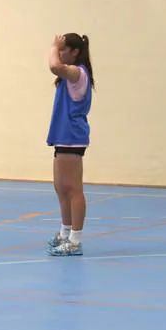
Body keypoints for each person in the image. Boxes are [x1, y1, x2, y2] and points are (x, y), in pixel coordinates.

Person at [46, 33, 94, 256]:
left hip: (72, 137)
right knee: (60, 187)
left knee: (73, 189)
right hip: (62, 135)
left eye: (64, 49)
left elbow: (54, 66)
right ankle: (64, 233)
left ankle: (75, 240)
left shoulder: (77, 73)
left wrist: (53, 46)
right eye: (60, 48)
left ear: (74, 52)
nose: (60, 52)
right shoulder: (69, 76)